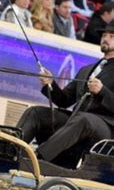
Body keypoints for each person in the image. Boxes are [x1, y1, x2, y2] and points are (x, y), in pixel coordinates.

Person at [17, 22, 114, 165]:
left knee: (84, 120)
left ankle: (38, 158)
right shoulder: (86, 69)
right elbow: (64, 100)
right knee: (36, 112)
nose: (105, 38)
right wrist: (51, 84)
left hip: (106, 127)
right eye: (104, 35)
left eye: (111, 36)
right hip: (77, 120)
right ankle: (10, 149)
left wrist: (103, 91)